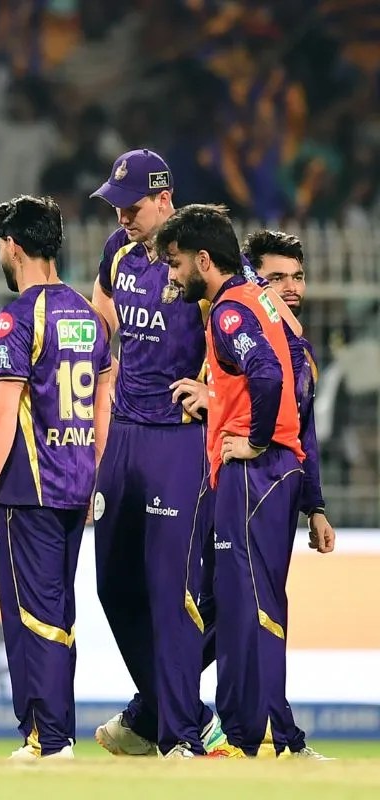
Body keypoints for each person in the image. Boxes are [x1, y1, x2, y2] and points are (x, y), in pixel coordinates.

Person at [174, 229, 336, 760]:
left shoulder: (297, 351)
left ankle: (239, 729)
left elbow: (304, 431)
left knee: (244, 604)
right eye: (276, 278)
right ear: (253, 279)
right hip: (224, 476)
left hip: (255, 476)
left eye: (298, 278)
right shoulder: (237, 318)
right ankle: (247, 729)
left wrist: (315, 505)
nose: (290, 289)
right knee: (233, 605)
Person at [87, 150, 222, 757]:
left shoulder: (201, 255)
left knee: (172, 594)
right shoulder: (118, 251)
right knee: (111, 585)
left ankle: (178, 736)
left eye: (132, 205)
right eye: (115, 205)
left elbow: (245, 322)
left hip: (178, 438)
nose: (122, 216)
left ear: (165, 199)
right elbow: (101, 320)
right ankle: (172, 713)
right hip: (124, 434)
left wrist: (215, 393)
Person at [0, 195, 112, 761]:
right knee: (59, 612)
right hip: (76, 484)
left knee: (32, 616)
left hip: (29, 490)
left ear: (13, 246)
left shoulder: (19, 316)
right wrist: (96, 476)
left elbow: (3, 408)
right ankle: (52, 735)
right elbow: (104, 404)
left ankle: (49, 739)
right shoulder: (88, 315)